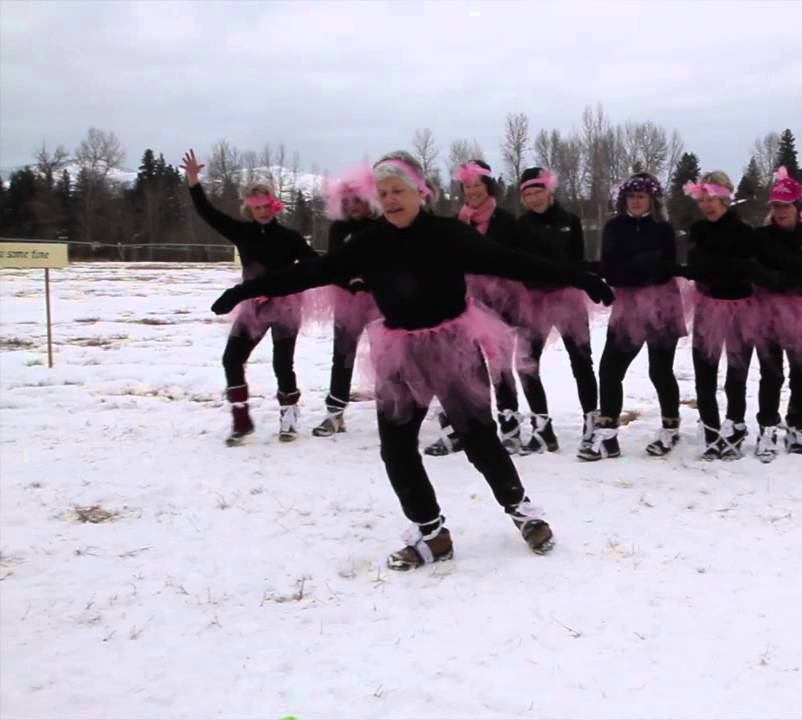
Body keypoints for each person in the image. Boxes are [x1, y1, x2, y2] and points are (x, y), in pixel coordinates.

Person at [209, 151, 614, 568]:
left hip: (453, 347)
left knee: (479, 438)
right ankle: (431, 531)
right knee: (397, 448)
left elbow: (509, 261)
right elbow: (313, 271)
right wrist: (244, 292)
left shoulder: (447, 235)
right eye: (383, 192)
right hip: (400, 352)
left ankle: (521, 510)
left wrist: (578, 276)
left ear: (420, 192)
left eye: (398, 190)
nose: (391, 199)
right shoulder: (370, 242)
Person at [182, 149, 316, 446]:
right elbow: (209, 214)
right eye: (257, 207)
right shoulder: (242, 232)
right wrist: (194, 182)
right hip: (252, 305)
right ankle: (241, 421)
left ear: (274, 205)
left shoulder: (290, 238)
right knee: (231, 359)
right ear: (250, 209)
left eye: (266, 205)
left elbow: (315, 265)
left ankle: (289, 416)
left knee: (283, 364)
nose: (263, 211)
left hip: (286, 306)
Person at [425, 160, 526, 455]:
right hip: (463, 302)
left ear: (488, 188)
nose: (471, 192)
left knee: (500, 366)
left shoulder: (506, 222)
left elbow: (514, 259)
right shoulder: (458, 222)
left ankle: (511, 428)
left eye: (477, 186)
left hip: (500, 301)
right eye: (467, 187)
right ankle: (463, 428)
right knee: (462, 366)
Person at [585, 172, 686, 461]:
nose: (637, 201)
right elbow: (611, 268)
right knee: (610, 369)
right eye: (632, 196)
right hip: (628, 304)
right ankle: (608, 432)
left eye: (642, 196)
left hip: (662, 304)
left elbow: (666, 267)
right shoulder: (614, 227)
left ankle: (670, 427)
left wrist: (637, 267)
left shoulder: (663, 229)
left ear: (652, 200)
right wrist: (638, 267)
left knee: (660, 370)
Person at [680, 171, 769, 460]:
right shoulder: (698, 231)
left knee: (737, 374)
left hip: (741, 308)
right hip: (708, 305)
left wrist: (719, 266)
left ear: (726, 198)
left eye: (713, 199)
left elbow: (748, 269)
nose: (708, 206)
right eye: (703, 200)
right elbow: (696, 267)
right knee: (704, 373)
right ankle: (710, 432)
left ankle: (735, 428)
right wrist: (723, 266)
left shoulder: (746, 232)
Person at [514, 167, 600, 455]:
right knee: (526, 365)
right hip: (533, 300)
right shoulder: (521, 224)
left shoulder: (570, 221)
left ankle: (592, 424)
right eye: (527, 194)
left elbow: (577, 260)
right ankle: (542, 429)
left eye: (538, 192)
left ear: (549, 192)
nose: (533, 198)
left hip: (567, 299)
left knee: (581, 362)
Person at [753, 167, 802, 461]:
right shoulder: (761, 236)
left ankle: (797, 426)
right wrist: (780, 275)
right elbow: (757, 270)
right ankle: (767, 427)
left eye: (785, 205)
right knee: (770, 374)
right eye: (776, 205)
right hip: (768, 312)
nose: (780, 211)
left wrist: (784, 274)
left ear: (798, 207)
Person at [312, 167, 381, 437]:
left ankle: (397, 412)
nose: (355, 206)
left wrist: (369, 282)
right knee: (342, 357)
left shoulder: (380, 227)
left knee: (386, 357)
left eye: (360, 199)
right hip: (347, 301)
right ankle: (334, 414)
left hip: (379, 302)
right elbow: (333, 265)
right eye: (349, 201)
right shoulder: (338, 229)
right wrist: (352, 282)